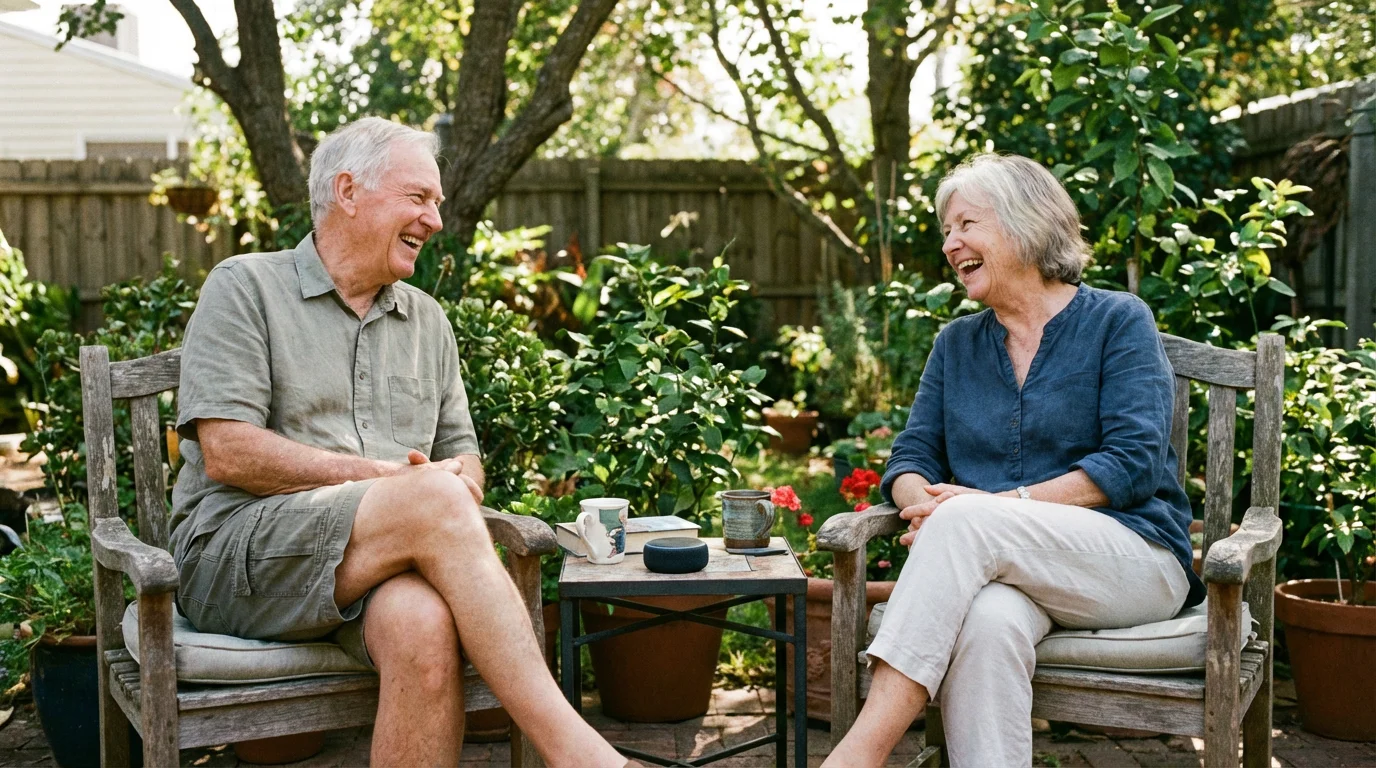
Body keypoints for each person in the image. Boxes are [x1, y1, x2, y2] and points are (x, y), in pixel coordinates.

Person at [169, 117, 629, 766]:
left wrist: (456, 482)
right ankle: (582, 755)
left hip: (371, 567)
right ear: (349, 191)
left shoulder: (427, 322)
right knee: (432, 500)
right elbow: (228, 452)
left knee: (424, 627)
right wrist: (397, 484)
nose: (435, 220)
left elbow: (462, 453)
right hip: (236, 553)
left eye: (437, 203)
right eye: (419, 198)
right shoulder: (246, 287)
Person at [822, 154, 1204, 767]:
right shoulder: (956, 345)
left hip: (1133, 560)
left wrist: (986, 511)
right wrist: (925, 505)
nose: (951, 244)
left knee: (967, 523)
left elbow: (1132, 463)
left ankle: (857, 756)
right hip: (1005, 574)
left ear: (1025, 224)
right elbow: (912, 456)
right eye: (946, 231)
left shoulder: (1117, 321)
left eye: (967, 224)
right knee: (988, 627)